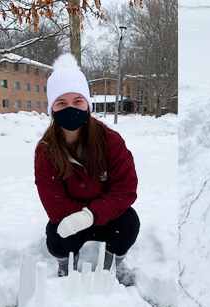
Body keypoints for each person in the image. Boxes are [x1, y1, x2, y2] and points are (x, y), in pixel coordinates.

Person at [34, 53, 139, 286]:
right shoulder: (45, 151)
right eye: (61, 103)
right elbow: (54, 204)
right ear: (52, 109)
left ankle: (110, 265)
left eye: (77, 101)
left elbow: (126, 189)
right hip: (71, 219)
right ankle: (67, 264)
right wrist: (80, 218)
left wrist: (92, 214)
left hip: (107, 216)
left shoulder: (110, 140)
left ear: (87, 105)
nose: (70, 108)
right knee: (56, 237)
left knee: (129, 223)